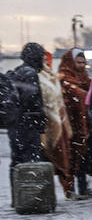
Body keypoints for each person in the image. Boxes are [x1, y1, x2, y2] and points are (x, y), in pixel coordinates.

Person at [57, 50, 92, 199]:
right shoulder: (64, 77)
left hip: (83, 125)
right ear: (71, 62)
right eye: (78, 62)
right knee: (70, 159)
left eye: (83, 62)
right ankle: (70, 190)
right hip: (70, 126)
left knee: (83, 158)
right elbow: (77, 96)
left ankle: (83, 188)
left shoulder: (84, 78)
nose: (81, 65)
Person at [6, 43, 46, 176]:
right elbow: (33, 103)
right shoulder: (30, 74)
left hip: (15, 126)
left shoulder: (17, 71)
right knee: (31, 165)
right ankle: (31, 196)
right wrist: (41, 127)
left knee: (17, 163)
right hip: (28, 126)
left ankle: (18, 194)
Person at [37, 50, 72, 197]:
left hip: (57, 123)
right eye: (42, 59)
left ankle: (65, 190)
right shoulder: (37, 77)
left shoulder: (51, 76)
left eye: (47, 59)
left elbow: (58, 101)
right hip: (45, 124)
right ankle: (41, 194)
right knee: (46, 157)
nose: (46, 62)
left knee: (61, 156)